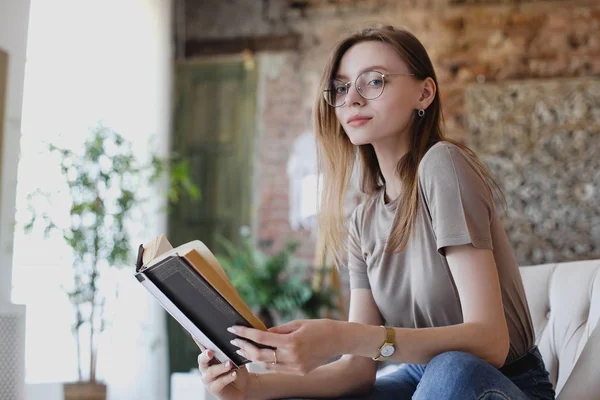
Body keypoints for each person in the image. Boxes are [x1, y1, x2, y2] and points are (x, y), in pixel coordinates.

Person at [197, 25, 556, 400]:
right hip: (419, 378)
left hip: (498, 382)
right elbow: (356, 371)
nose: (351, 98)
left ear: (424, 92)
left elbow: (491, 342)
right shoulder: (363, 220)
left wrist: (348, 335)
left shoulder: (443, 165)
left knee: (452, 371)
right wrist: (251, 384)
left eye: (373, 81)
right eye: (341, 87)